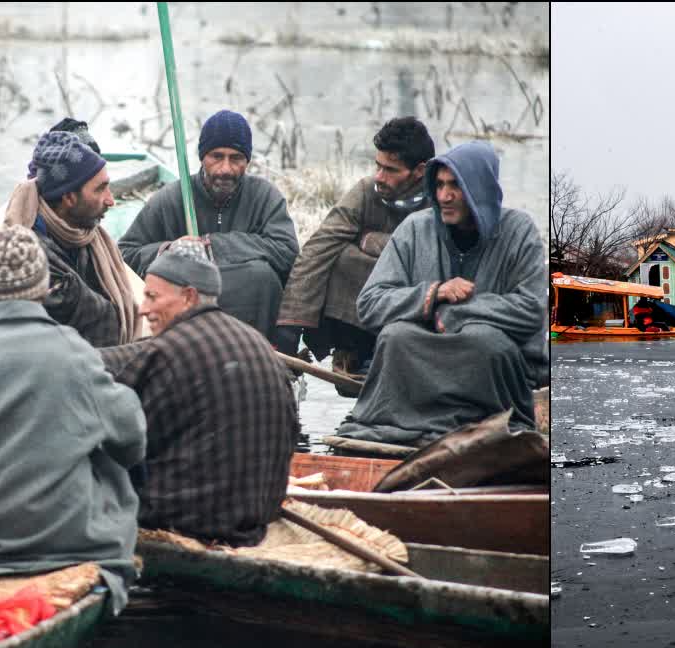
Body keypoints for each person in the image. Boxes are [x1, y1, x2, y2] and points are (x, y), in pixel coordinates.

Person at [0, 227, 146, 614]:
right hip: (68, 545)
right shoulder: (73, 352)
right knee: (109, 451)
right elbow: (133, 437)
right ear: (44, 287)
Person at [334, 141, 547, 446]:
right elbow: (370, 303)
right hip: (422, 349)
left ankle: (480, 428)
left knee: (482, 339)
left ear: (481, 190)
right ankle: (400, 428)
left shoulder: (518, 230)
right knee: (397, 337)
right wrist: (433, 295)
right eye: (439, 185)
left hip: (490, 362)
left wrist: (459, 312)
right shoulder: (414, 229)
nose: (444, 196)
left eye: (455, 186)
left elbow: (531, 308)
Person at [97, 242, 298, 546]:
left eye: (152, 296)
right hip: (258, 515)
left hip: (190, 520)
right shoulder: (257, 342)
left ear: (188, 297)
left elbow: (121, 444)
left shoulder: (167, 352)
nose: (143, 309)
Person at [272, 117, 436, 382]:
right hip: (366, 315)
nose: (379, 177)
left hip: (418, 313)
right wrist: (290, 325)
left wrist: (375, 241)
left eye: (391, 170)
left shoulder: (442, 197)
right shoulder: (366, 191)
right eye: (378, 166)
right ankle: (356, 350)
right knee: (342, 257)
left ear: (419, 171)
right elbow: (318, 249)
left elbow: (429, 253)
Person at [119, 110, 299, 338]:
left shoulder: (264, 196)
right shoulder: (173, 197)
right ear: (202, 157)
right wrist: (171, 250)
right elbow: (125, 254)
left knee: (262, 276)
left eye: (236, 158)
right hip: (184, 318)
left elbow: (287, 251)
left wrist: (211, 246)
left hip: (251, 323)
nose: (225, 169)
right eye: (216, 156)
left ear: (248, 160)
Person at [0, 131, 141, 347]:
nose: (111, 200)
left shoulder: (85, 236)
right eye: (100, 189)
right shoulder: (21, 256)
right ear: (69, 197)